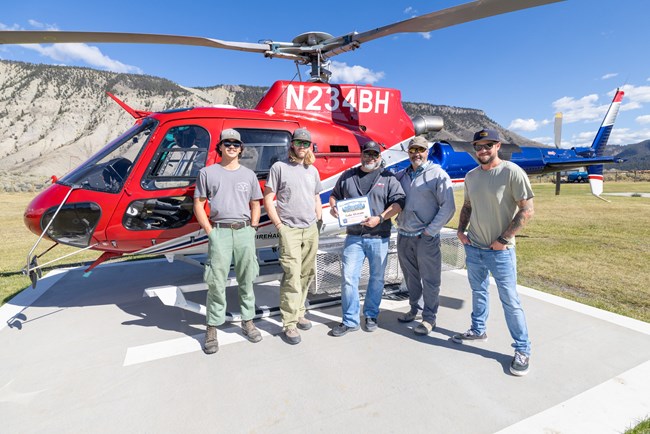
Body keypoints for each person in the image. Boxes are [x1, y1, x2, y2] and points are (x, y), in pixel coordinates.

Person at [453, 128, 535, 376]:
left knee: (510, 301)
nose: (483, 150)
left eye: (488, 145)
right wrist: (460, 230)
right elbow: (467, 205)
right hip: (474, 247)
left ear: (498, 146)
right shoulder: (471, 176)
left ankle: (523, 349)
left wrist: (503, 239)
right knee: (478, 292)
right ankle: (478, 330)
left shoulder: (512, 172)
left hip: (500, 251)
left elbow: (527, 210)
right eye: (479, 146)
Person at [194, 128, 263, 355]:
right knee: (216, 281)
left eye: (236, 144)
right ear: (220, 147)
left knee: (247, 278)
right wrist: (210, 231)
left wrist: (253, 228)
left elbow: (255, 204)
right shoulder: (207, 173)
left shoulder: (249, 175)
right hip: (220, 232)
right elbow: (199, 203)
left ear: (241, 148)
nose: (231, 147)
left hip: (244, 232)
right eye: (227, 143)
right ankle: (212, 326)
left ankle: (248, 321)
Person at [329, 141, 405, 336]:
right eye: (367, 154)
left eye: (374, 155)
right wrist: (334, 207)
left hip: (379, 237)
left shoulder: (388, 177)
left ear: (380, 157)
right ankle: (350, 320)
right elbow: (334, 196)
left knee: (377, 279)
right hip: (354, 236)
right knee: (348, 278)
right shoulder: (348, 176)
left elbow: (398, 203)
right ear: (361, 155)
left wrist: (379, 218)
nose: (370, 157)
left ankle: (371, 314)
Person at [263, 128, 323, 345]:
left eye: (306, 143)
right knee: (292, 275)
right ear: (292, 145)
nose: (302, 146)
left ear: (309, 146)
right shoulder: (279, 168)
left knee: (307, 274)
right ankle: (289, 323)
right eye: (298, 142)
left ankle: (299, 311)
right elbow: (268, 198)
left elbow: (316, 196)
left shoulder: (312, 170)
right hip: (290, 229)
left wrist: (318, 219)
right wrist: (279, 225)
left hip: (311, 229)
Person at [395, 136, 455, 335]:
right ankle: (415, 309)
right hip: (404, 235)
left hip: (425, 237)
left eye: (420, 150)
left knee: (430, 280)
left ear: (427, 151)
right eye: (413, 150)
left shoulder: (438, 174)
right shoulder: (402, 175)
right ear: (408, 152)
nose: (416, 154)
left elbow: (448, 207)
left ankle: (429, 318)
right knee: (411, 277)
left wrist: (431, 231)